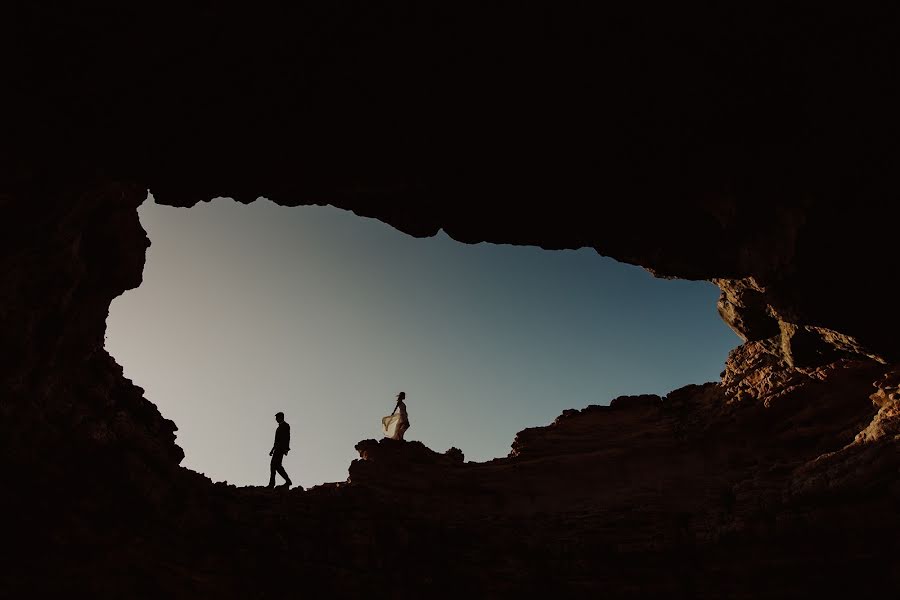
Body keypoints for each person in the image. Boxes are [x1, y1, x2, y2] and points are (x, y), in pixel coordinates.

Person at [267, 411, 292, 488]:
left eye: (277, 418)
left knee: (275, 465)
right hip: (277, 448)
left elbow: (287, 438)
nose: (276, 419)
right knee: (276, 466)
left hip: (281, 449)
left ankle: (273, 484)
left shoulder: (286, 426)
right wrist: (272, 450)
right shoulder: (279, 428)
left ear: (281, 417)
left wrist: (286, 449)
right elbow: (276, 441)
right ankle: (287, 481)